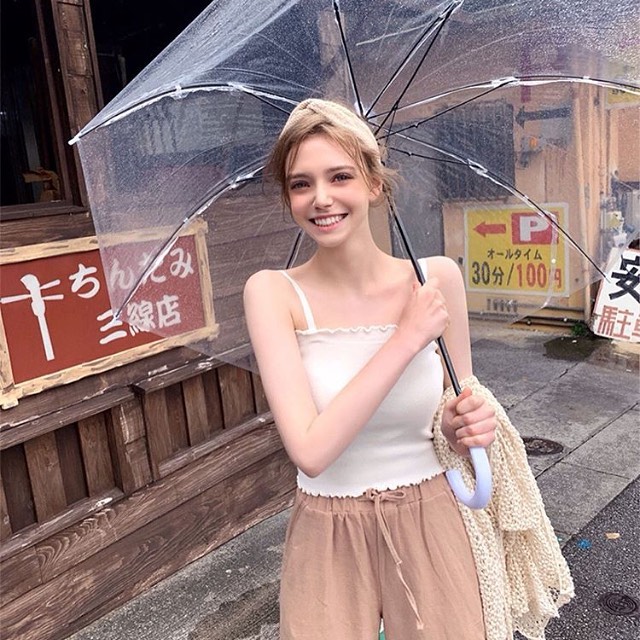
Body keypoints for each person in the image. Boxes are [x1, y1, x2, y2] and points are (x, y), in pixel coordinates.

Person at [243, 98, 497, 639]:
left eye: (340, 176)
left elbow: (448, 419)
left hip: (431, 512)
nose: (321, 198)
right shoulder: (272, 293)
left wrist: (464, 426)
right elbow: (311, 452)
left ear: (374, 183)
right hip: (327, 525)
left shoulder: (436, 281)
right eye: (301, 184)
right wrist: (405, 338)